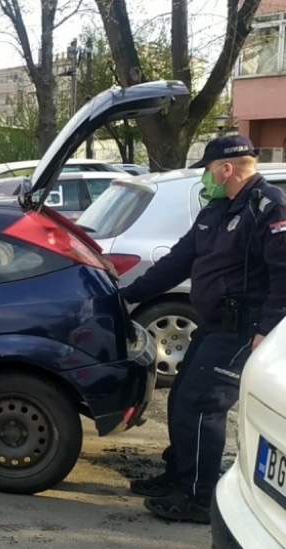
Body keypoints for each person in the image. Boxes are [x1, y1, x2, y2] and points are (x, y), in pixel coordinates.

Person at [121, 136, 286, 523]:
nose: (205, 178)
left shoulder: (269, 207)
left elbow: (284, 274)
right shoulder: (217, 208)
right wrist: (127, 295)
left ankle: (197, 497)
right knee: (181, 397)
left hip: (245, 327)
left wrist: (267, 330)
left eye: (208, 170)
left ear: (226, 169)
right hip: (215, 324)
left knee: (201, 405)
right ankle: (178, 476)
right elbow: (178, 261)